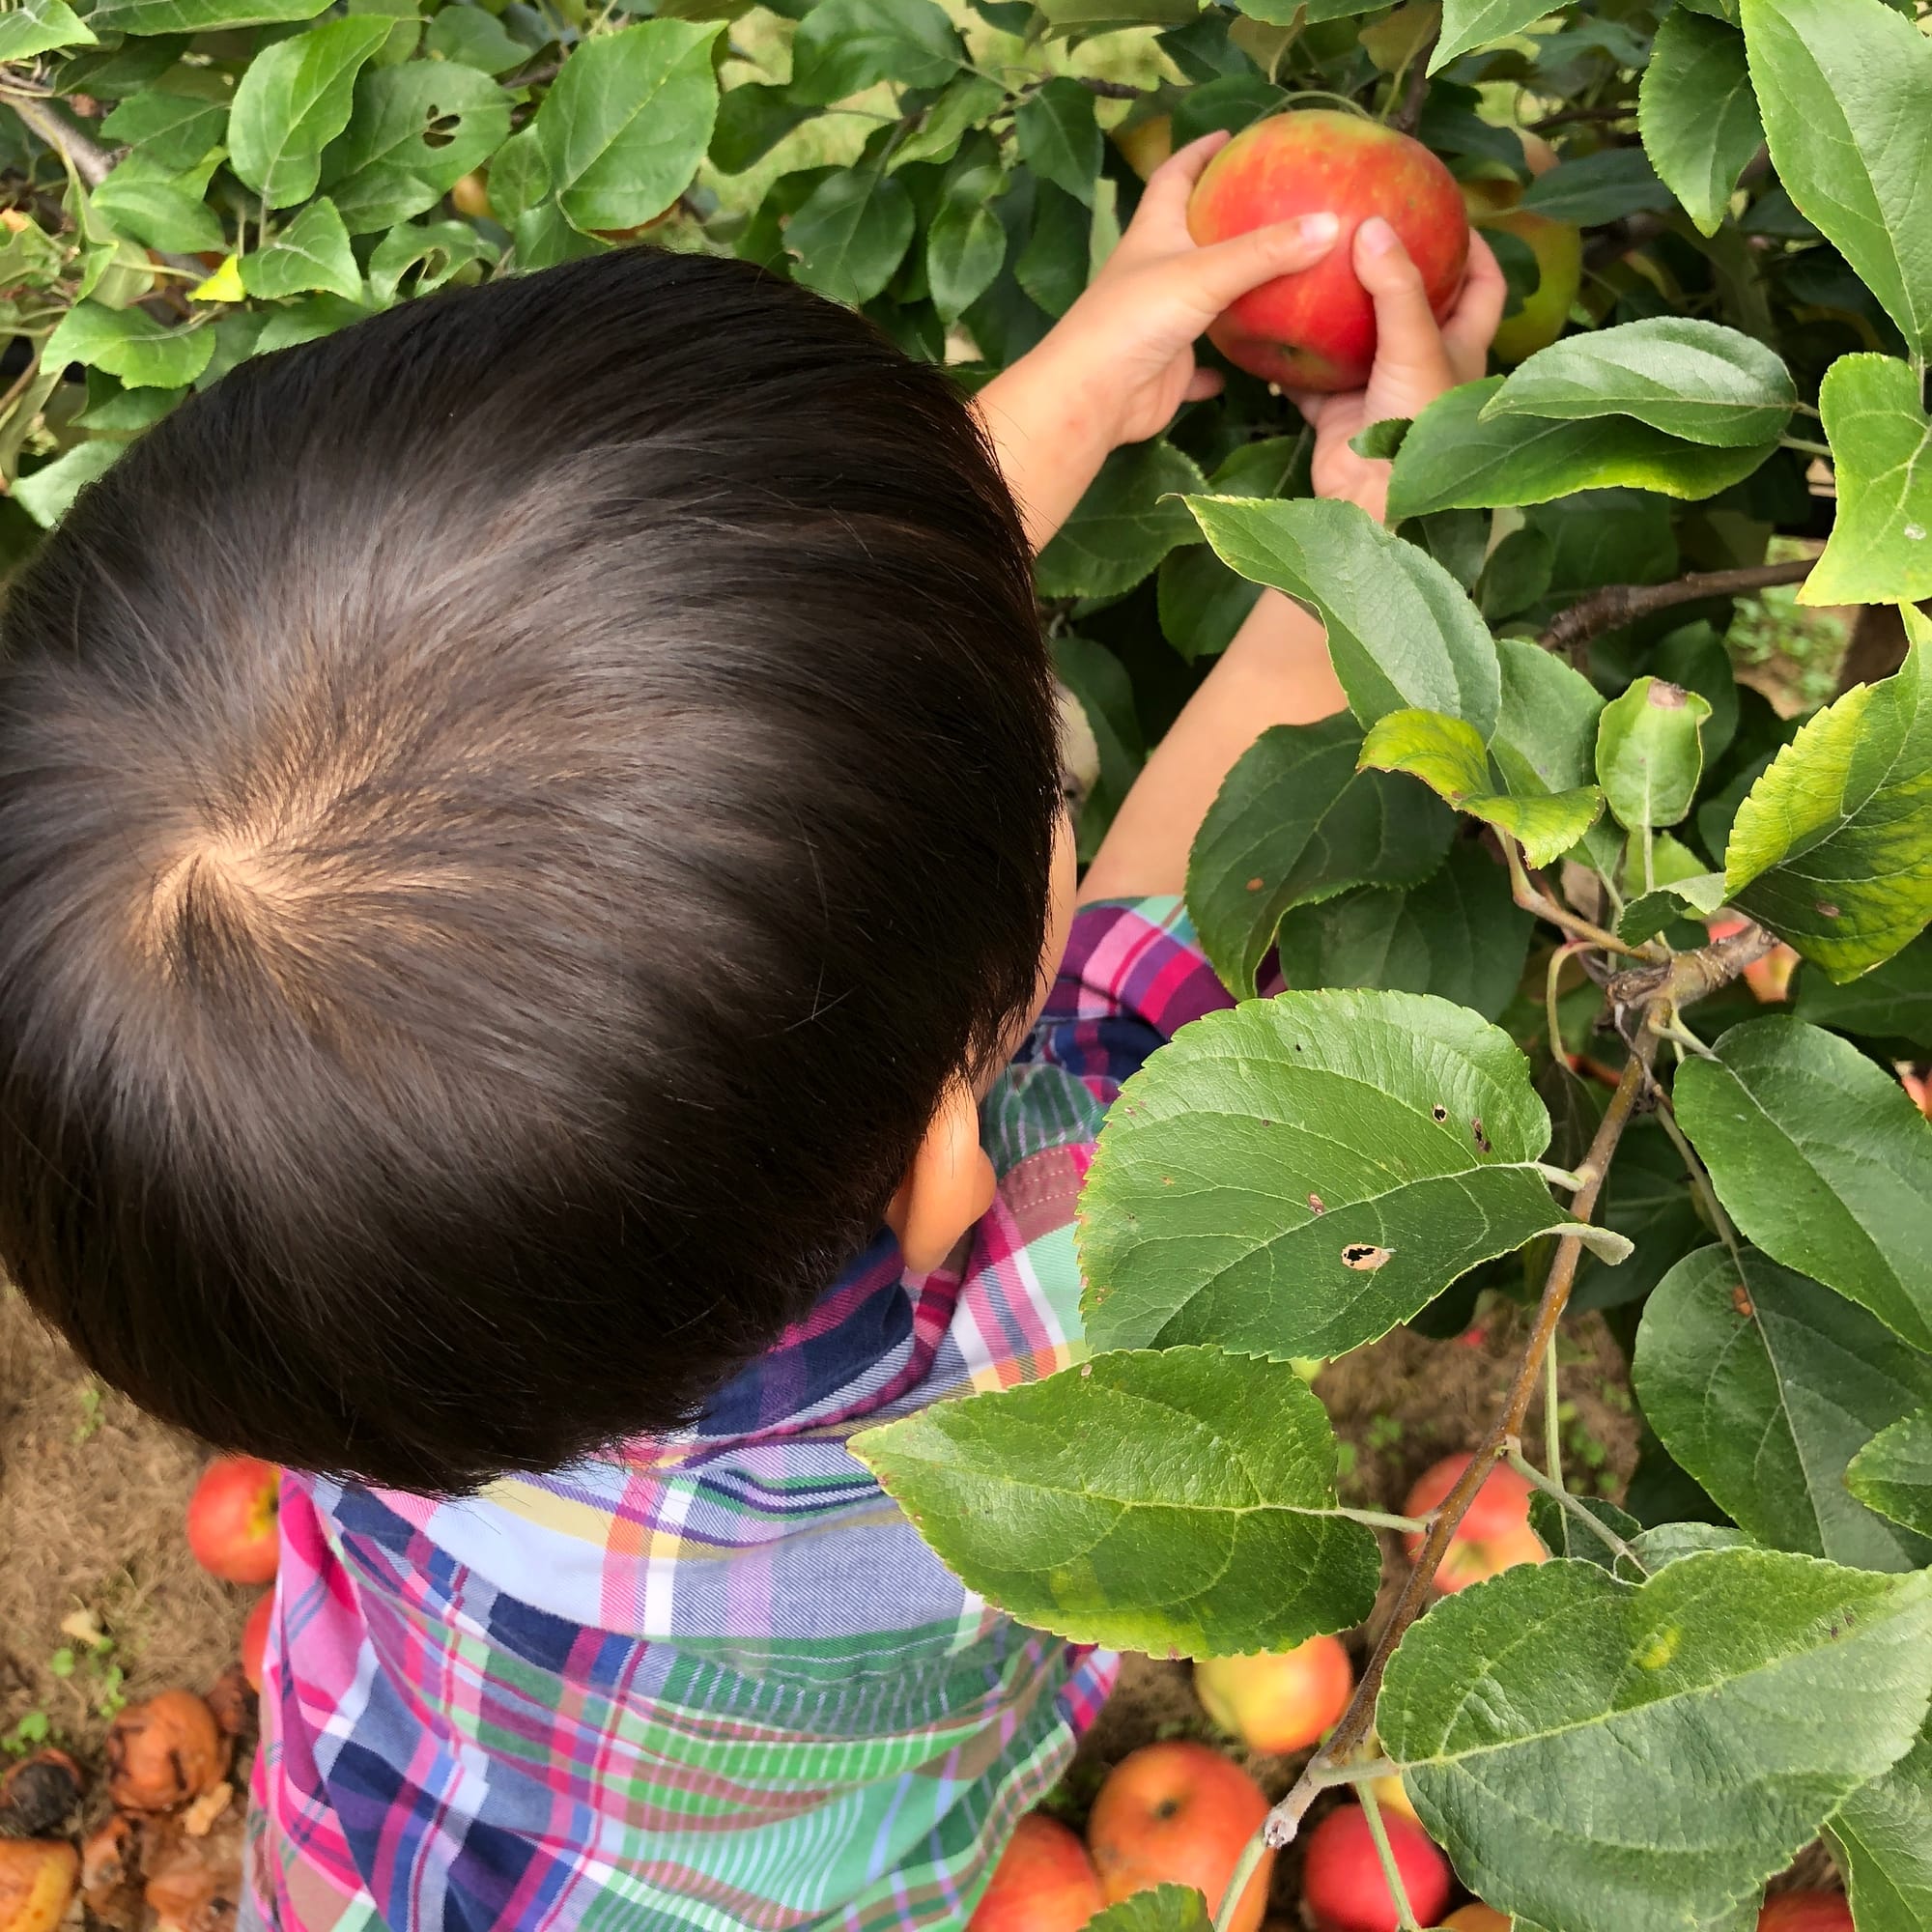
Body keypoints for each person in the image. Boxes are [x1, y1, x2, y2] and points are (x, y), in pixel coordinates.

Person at [0, 131, 1501, 1930]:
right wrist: (1369, 528)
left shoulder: (303, 1242)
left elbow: (650, 718)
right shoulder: (1050, 1338)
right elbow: (1192, 890)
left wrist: (1067, 394)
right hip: (836, 1867)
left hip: (399, 1842)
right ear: (960, 1146)